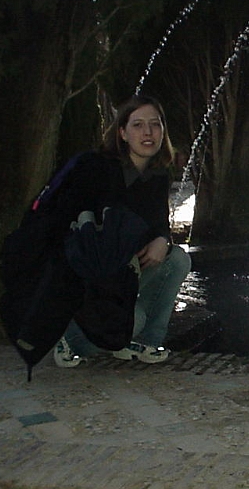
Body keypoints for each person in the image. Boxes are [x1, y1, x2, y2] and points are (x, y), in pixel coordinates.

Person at [54, 94, 191, 368]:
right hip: (94, 272)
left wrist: (163, 239)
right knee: (132, 321)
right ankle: (67, 335)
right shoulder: (100, 169)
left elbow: (159, 221)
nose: (148, 132)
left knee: (178, 259)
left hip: (129, 266)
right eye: (138, 125)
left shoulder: (158, 174)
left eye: (155, 124)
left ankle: (149, 342)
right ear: (123, 133)